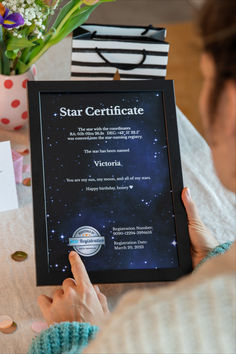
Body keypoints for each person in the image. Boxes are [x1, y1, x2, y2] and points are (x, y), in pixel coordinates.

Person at [28, 0, 236, 353]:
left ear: (229, 107)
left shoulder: (145, 329)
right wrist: (218, 262)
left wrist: (76, 335)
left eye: (206, 76)